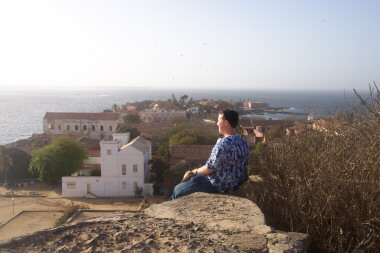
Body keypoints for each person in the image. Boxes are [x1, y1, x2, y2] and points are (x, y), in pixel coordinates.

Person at [169, 109, 249, 200]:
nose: (217, 124)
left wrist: (194, 171)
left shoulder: (223, 144)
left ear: (226, 123)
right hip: (235, 184)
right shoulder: (244, 143)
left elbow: (209, 168)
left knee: (178, 190)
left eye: (219, 121)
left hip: (218, 184)